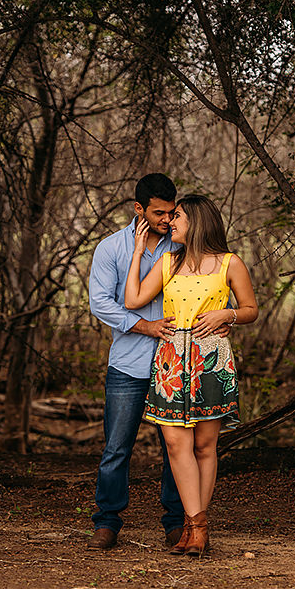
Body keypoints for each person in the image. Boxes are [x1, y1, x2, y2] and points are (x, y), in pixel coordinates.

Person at [124, 194, 258, 557]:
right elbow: (133, 299)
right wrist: (138, 251)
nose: (171, 222)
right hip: (170, 361)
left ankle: (194, 528)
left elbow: (250, 309)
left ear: (197, 221)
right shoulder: (168, 262)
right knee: (174, 445)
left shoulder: (230, 263)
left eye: (178, 216)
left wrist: (226, 315)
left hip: (210, 361)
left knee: (204, 446)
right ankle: (195, 524)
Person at [87, 173, 185, 550]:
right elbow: (101, 303)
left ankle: (175, 522)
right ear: (138, 209)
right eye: (158, 213)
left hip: (174, 366)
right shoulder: (111, 248)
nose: (166, 220)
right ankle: (107, 521)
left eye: (171, 212)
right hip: (128, 365)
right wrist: (144, 326)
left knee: (176, 448)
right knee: (116, 447)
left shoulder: (181, 247)